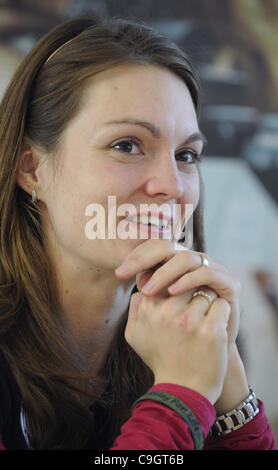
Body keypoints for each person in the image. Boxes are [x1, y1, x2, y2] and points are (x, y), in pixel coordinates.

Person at [0, 14, 276, 451]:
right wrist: (180, 398)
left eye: (186, 154)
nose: (170, 184)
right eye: (126, 146)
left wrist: (230, 393)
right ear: (31, 168)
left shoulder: (183, 341)